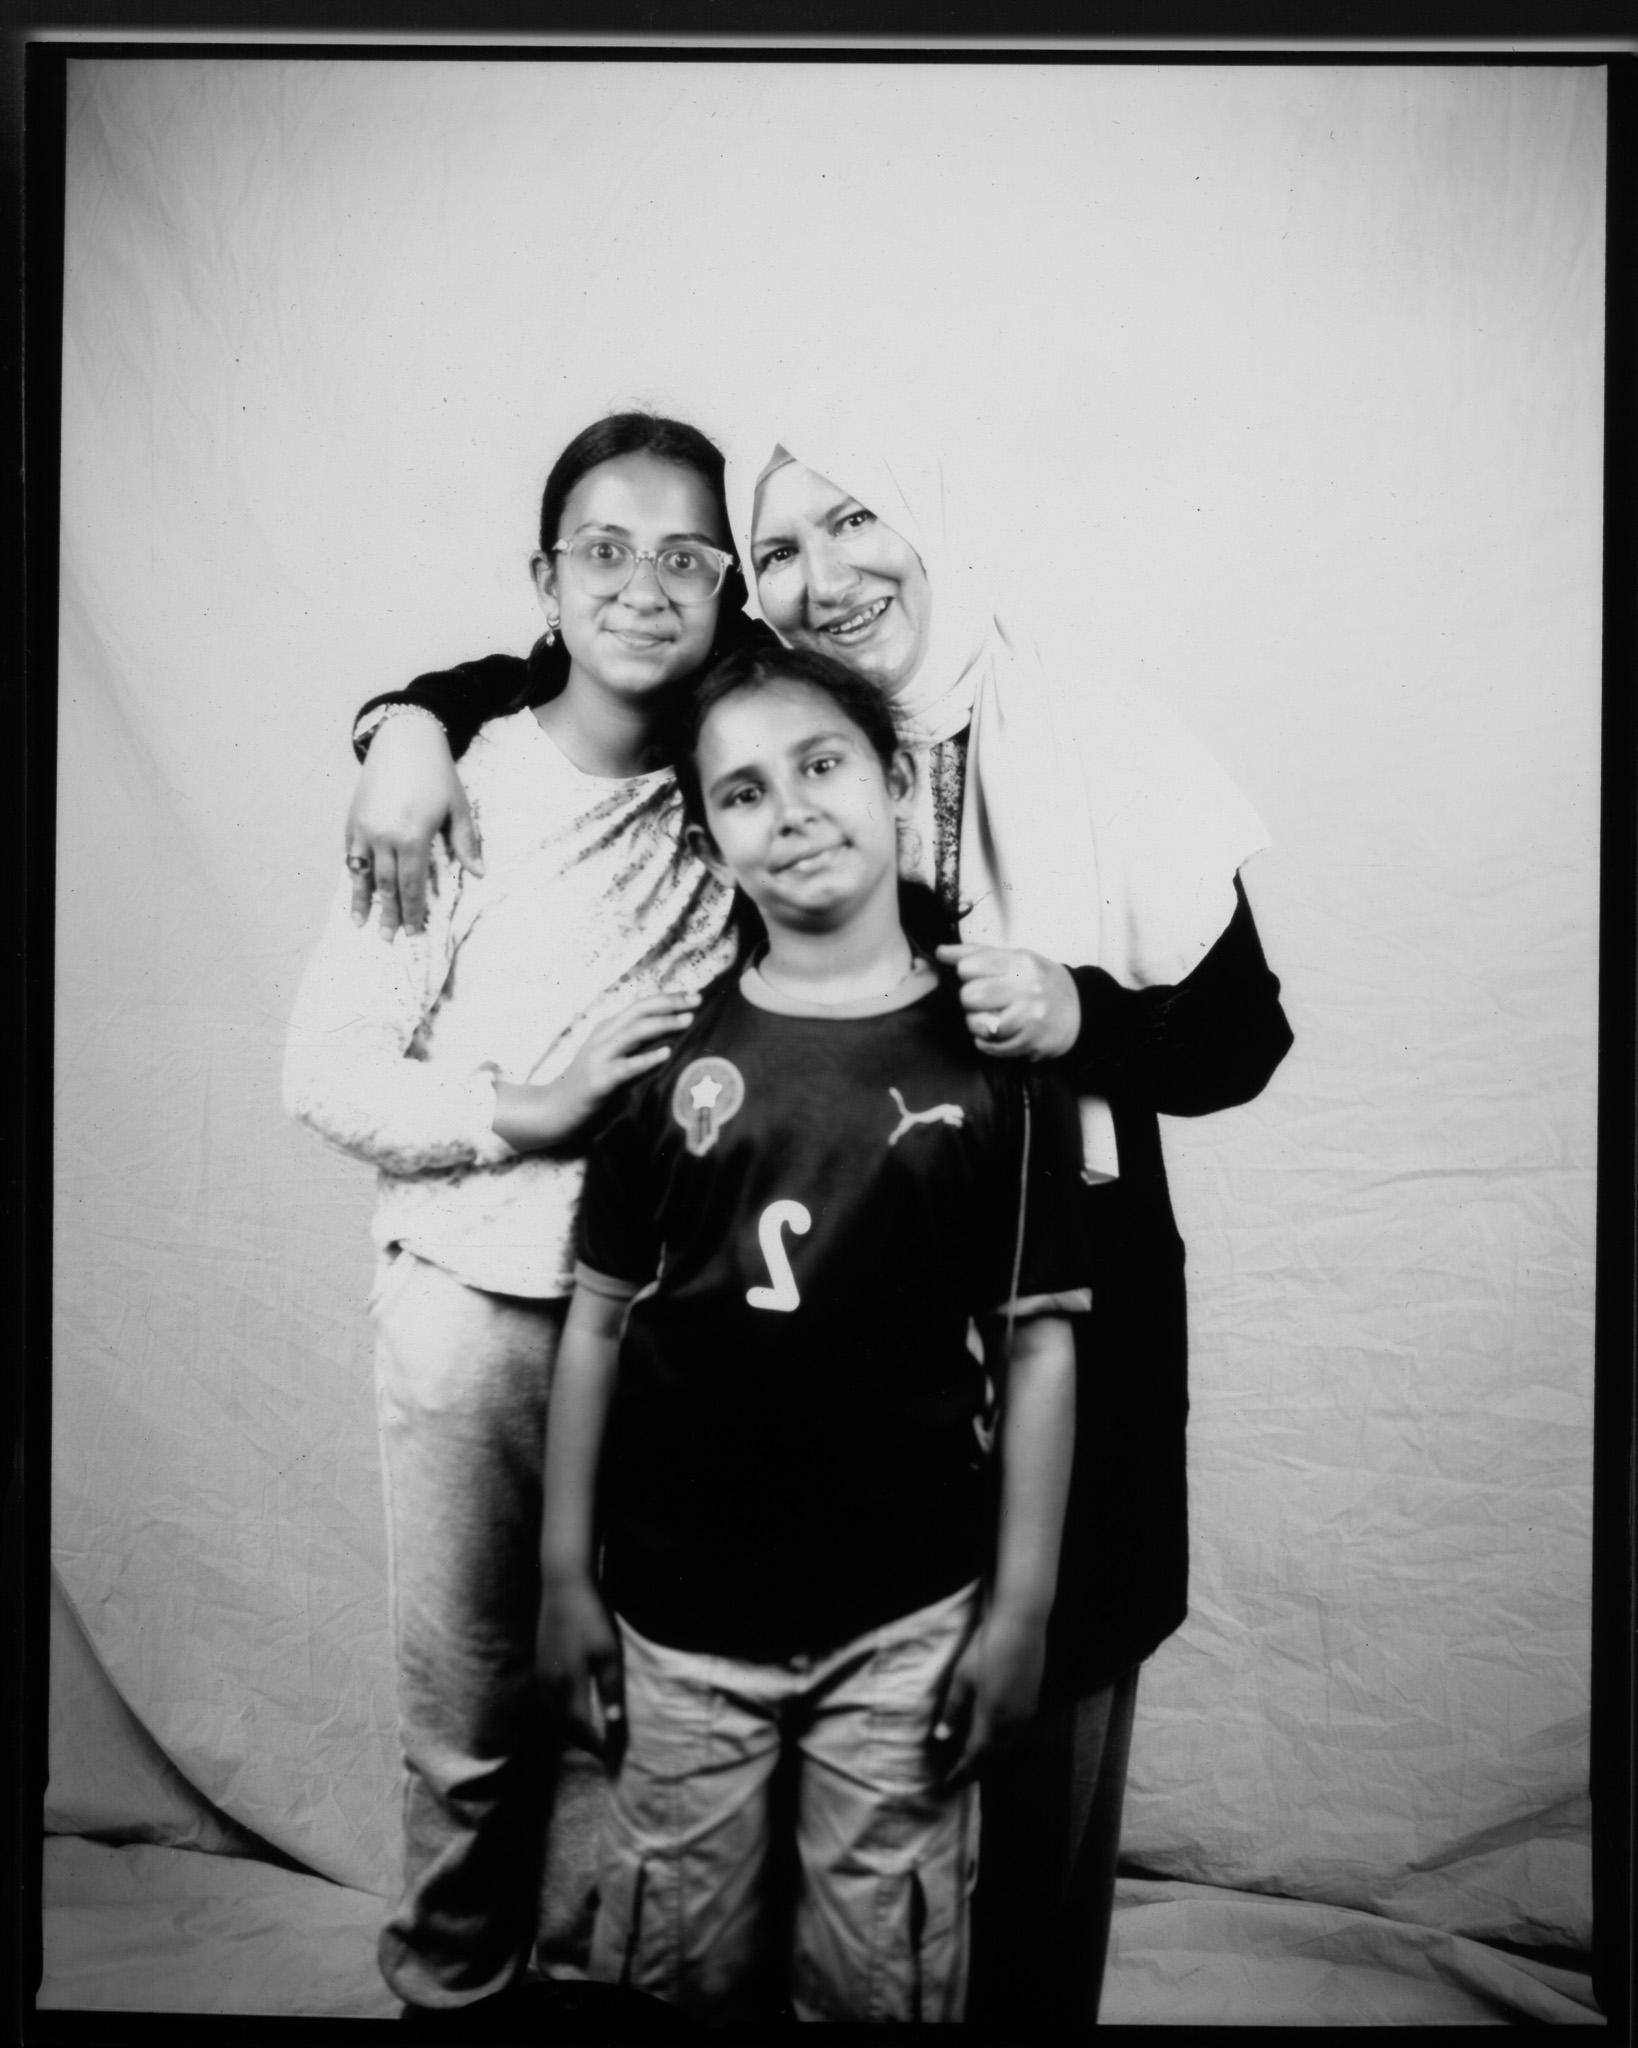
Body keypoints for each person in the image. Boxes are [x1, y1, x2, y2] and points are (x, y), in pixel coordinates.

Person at [342, 407, 1295, 2027]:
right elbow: (566, 671)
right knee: (808, 1874)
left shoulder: (1092, 732)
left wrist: (1079, 1014)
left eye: (859, 521)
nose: (825, 570)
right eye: (781, 548)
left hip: (1050, 1287)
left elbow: (1242, 1036)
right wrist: (402, 729)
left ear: (935, 520)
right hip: (802, 1358)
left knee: (1033, 1737)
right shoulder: (780, 718)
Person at [536, 641, 1090, 2024]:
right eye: (740, 793)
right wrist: (562, 1575)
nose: (787, 811)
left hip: (903, 1619)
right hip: (678, 1619)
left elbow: (1036, 1351)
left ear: (896, 783)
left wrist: (1017, 1610)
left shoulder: (995, 1070)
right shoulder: (670, 1063)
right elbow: (596, 1327)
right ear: (710, 841)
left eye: (821, 764)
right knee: (678, 1965)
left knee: (879, 1976)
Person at [282, 411, 751, 2026]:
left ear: (728, 587)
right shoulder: (461, 789)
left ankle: (593, 1985)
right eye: (602, 551)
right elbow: (325, 1071)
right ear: (541, 582)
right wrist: (519, 1111)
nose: (644, 585)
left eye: (687, 554)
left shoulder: (734, 778)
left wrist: (396, 706)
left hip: (682, 1333)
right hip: (478, 1317)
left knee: (657, 1724)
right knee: (475, 1723)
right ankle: (450, 1991)